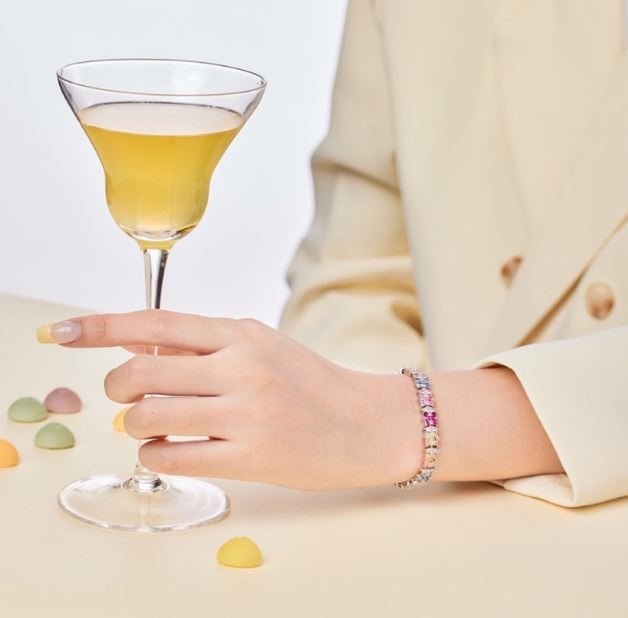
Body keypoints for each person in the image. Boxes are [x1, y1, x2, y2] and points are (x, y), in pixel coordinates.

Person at [37, 1, 628, 507]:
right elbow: (358, 270)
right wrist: (336, 437)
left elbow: (379, 421)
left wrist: (392, 423)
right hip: (442, 506)